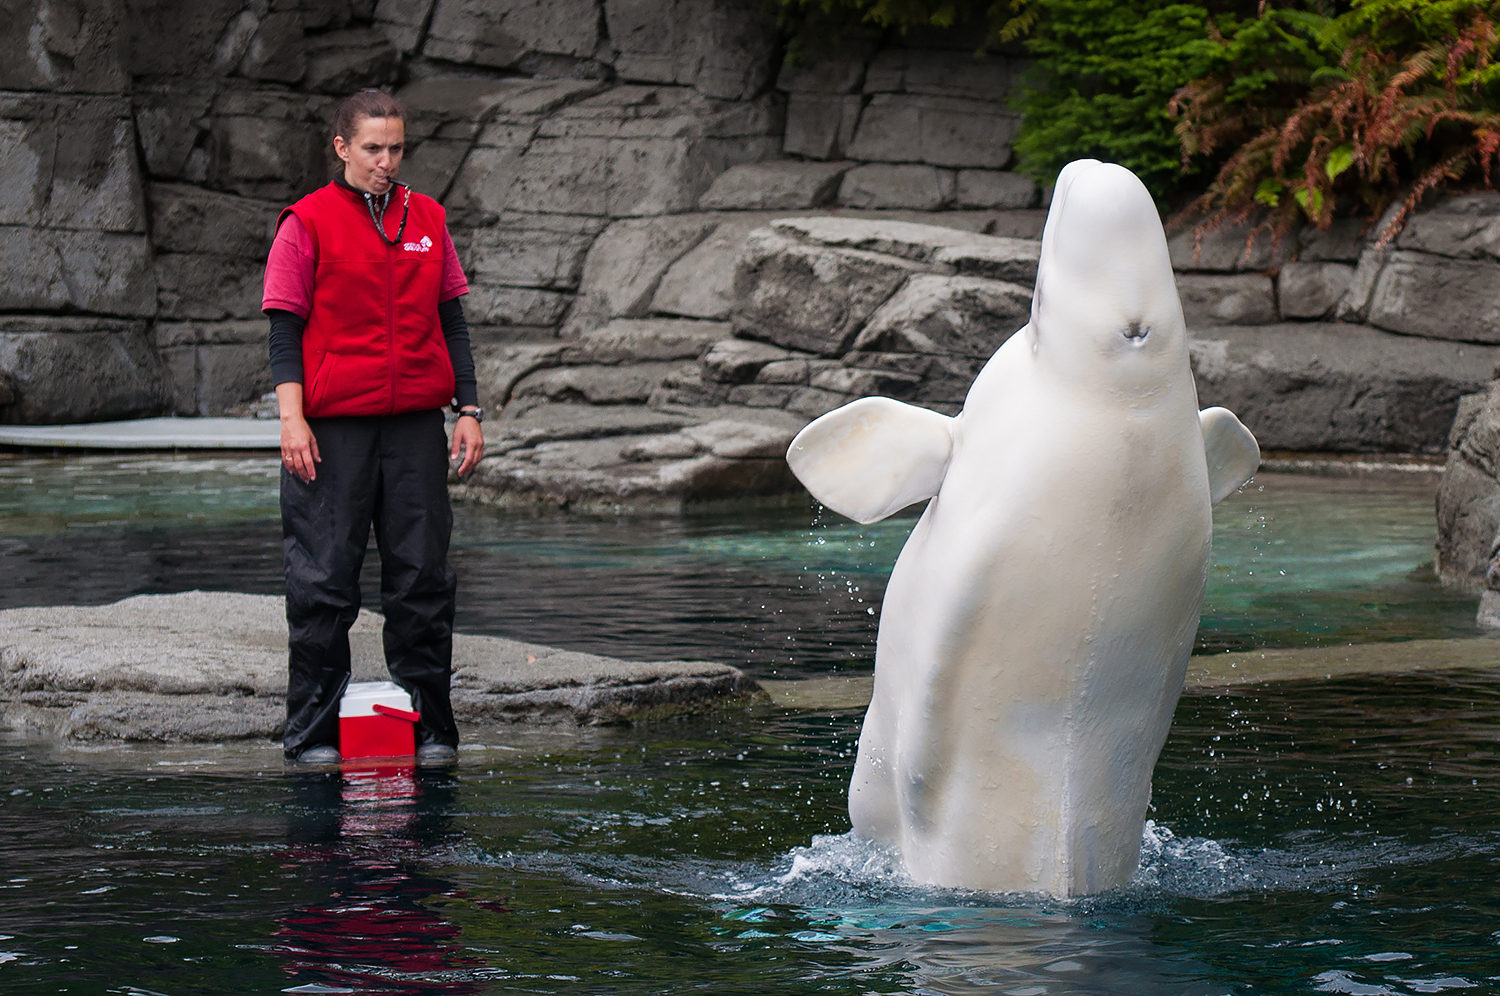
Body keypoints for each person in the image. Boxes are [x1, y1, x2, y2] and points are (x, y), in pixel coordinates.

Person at [262, 88, 484, 765]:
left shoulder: (430, 219)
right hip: (334, 431)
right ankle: (312, 734)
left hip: (416, 426)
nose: (386, 161)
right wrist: (292, 419)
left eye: (395, 148)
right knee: (325, 582)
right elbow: (284, 328)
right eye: (372, 149)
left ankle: (434, 728)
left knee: (422, 579)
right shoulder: (307, 221)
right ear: (342, 148)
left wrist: (469, 409)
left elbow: (452, 321)